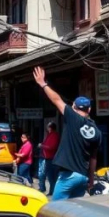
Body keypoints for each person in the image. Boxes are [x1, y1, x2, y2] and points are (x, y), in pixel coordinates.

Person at [33, 66, 102, 200]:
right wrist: (91, 180)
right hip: (83, 177)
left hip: (68, 176)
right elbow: (93, 159)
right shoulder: (97, 132)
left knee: (56, 211)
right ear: (90, 109)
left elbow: (56, 100)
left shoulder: (72, 117)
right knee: (73, 212)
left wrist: (43, 84)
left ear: (74, 107)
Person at [38, 122, 60, 195]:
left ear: (50, 128)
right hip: (47, 158)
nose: (47, 128)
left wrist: (42, 146)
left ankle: (53, 192)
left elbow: (52, 147)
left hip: (52, 159)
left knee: (52, 177)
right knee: (50, 177)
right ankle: (51, 191)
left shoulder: (54, 135)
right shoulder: (49, 135)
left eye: (48, 127)